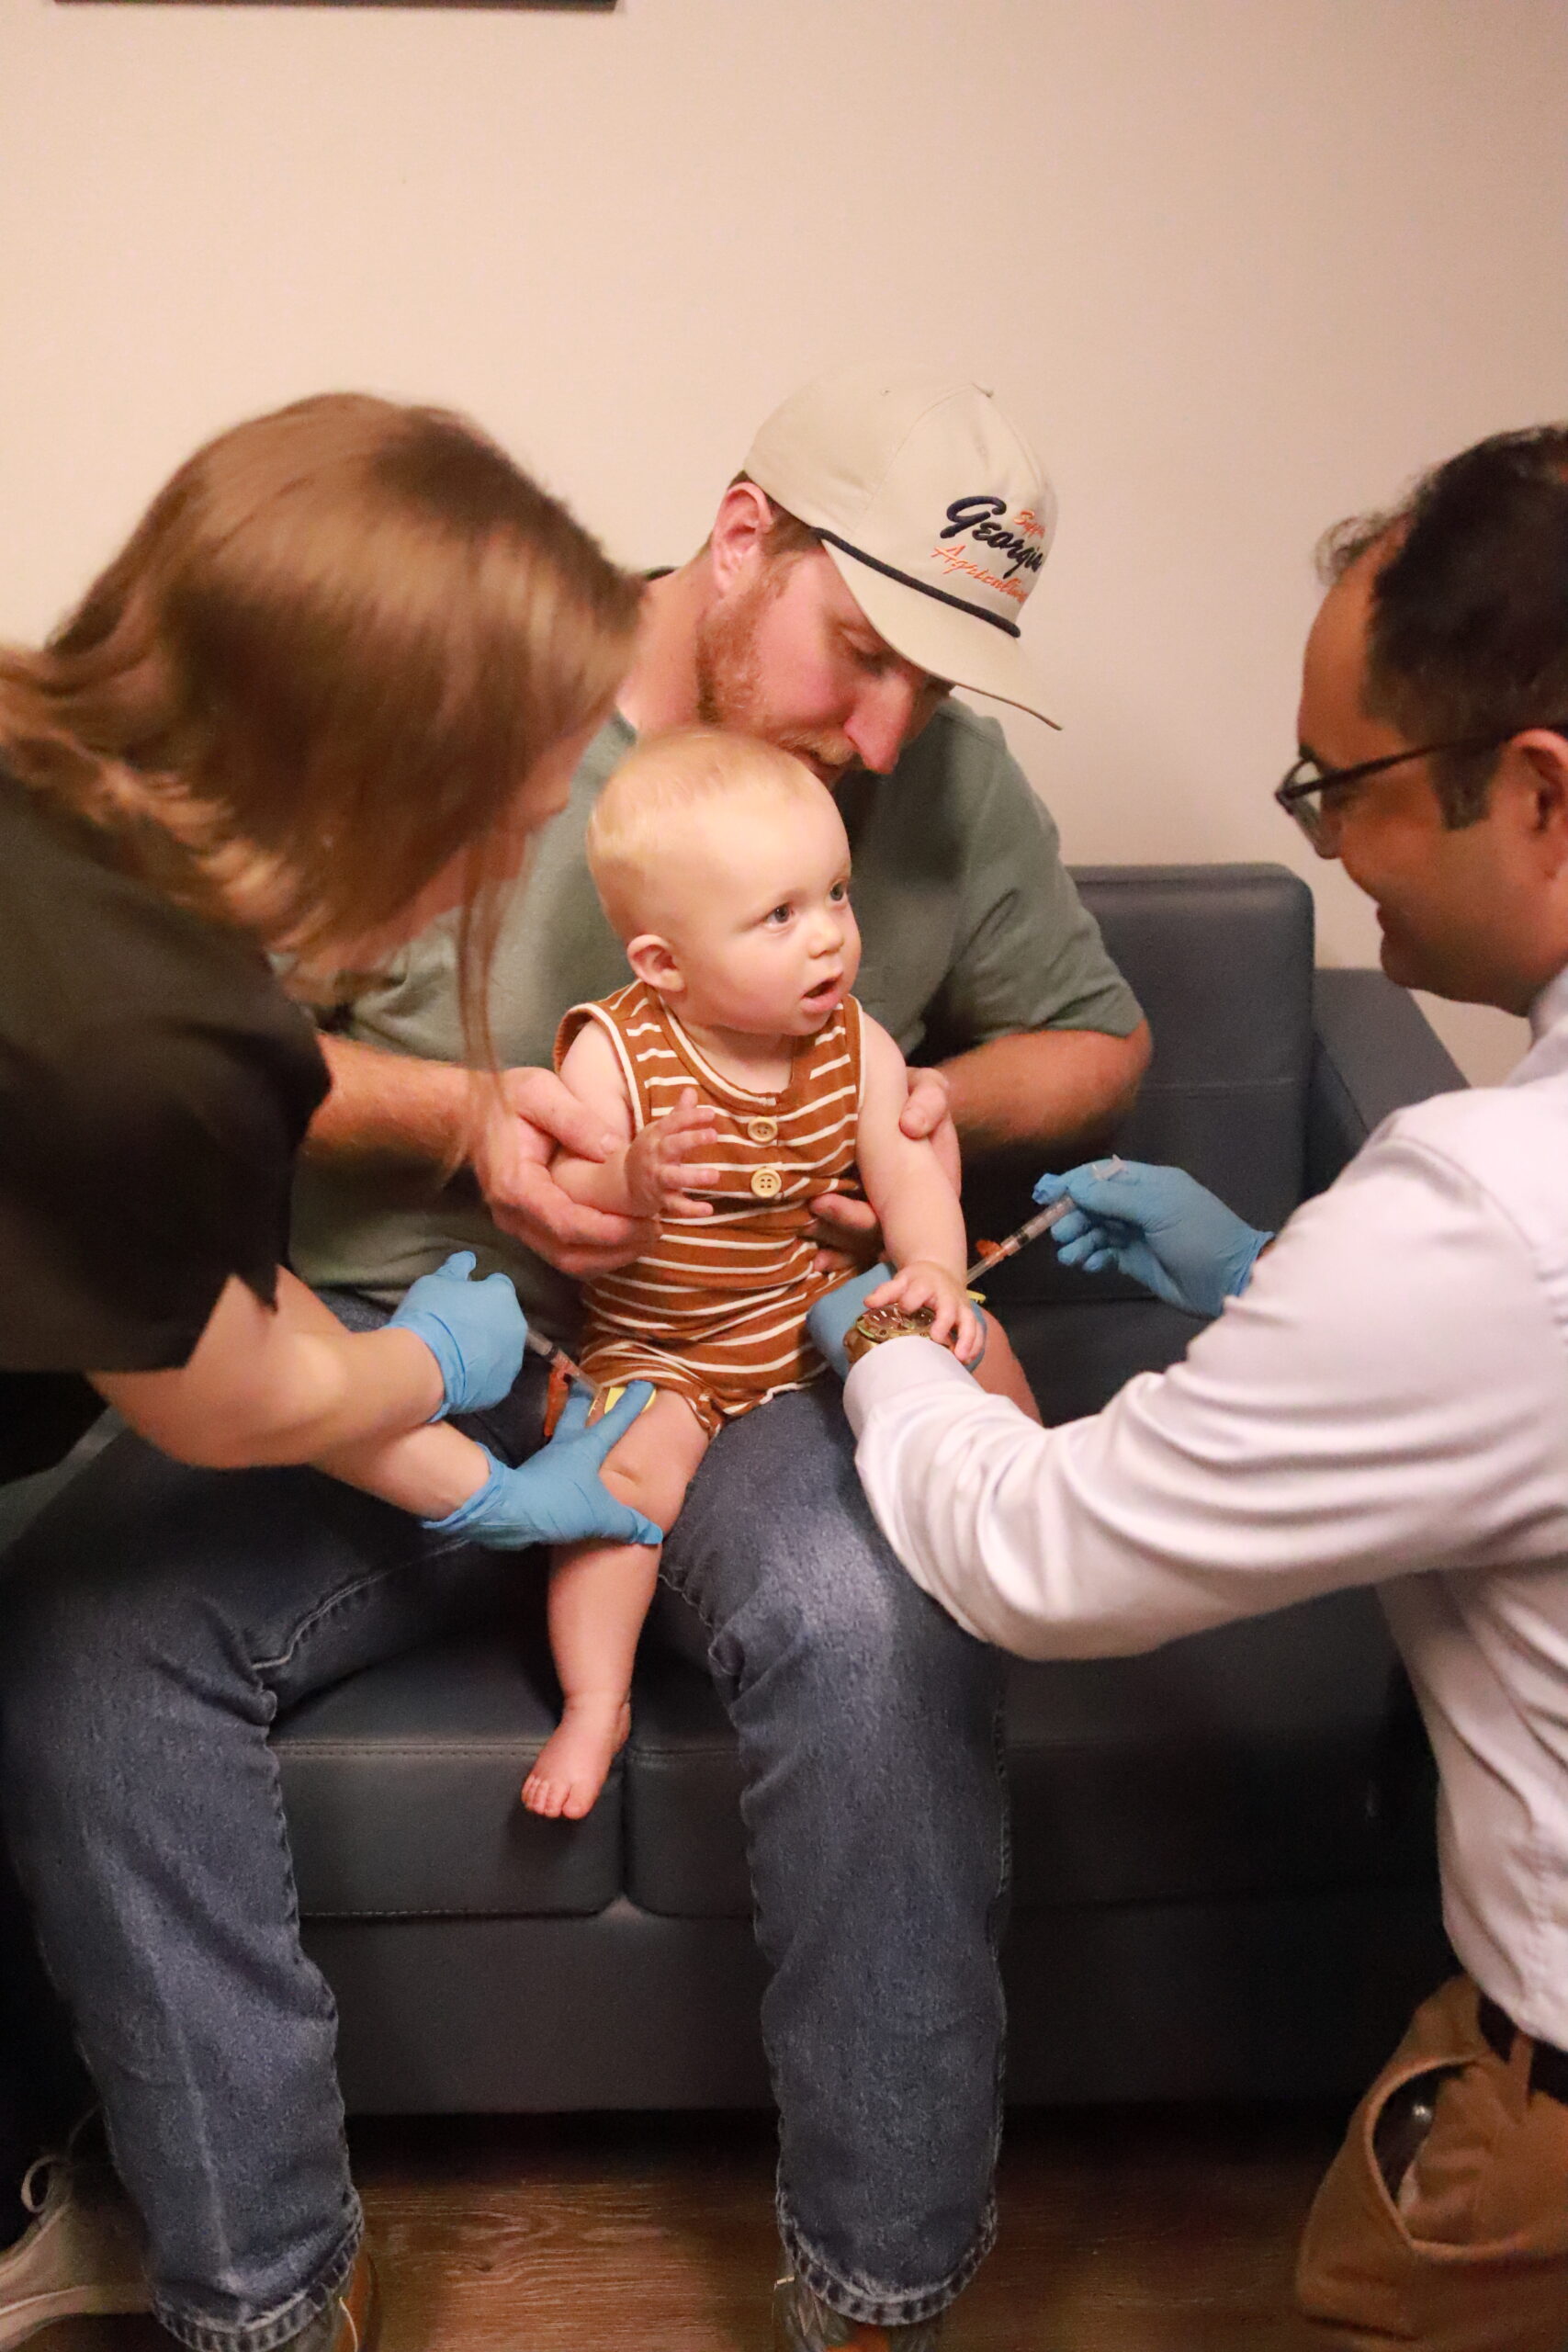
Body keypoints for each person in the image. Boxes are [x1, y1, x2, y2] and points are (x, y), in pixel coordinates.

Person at [0, 367, 1147, 2352]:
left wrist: (885, 1124)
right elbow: (222, 1222)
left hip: (738, 1364)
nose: (887, 734)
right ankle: (263, 2294)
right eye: (864, 652)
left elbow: (1095, 1041)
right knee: (89, 1657)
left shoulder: (929, 773)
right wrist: (470, 1129)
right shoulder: (371, 769)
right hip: (383, 1330)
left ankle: (878, 2291)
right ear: (739, 542)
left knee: (876, 1627)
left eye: (933, 691)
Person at [812, 423, 1568, 2352]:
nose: (1321, 842)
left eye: (1340, 784)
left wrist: (897, 1331)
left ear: (1539, 792)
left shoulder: (1490, 1212)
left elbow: (1043, 1557)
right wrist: (1268, 1275)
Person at [0, 389, 669, 2348]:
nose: (547, 822)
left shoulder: (70, 814)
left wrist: (471, 1454)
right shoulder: (146, 1026)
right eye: (530, 786)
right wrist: (439, 1355)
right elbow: (238, 1396)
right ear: (383, 763)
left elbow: (223, 1294)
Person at [527, 727, 1038, 1818]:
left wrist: (937, 1266)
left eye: (839, 896)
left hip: (804, 1313)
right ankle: (594, 1699)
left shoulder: (856, 1043)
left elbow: (906, 1169)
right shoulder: (616, 1049)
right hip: (661, 1343)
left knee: (962, 1348)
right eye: (781, 916)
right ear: (662, 963)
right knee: (617, 1484)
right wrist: (634, 1169)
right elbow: (573, 1182)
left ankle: (1042, 1522)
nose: (830, 944)